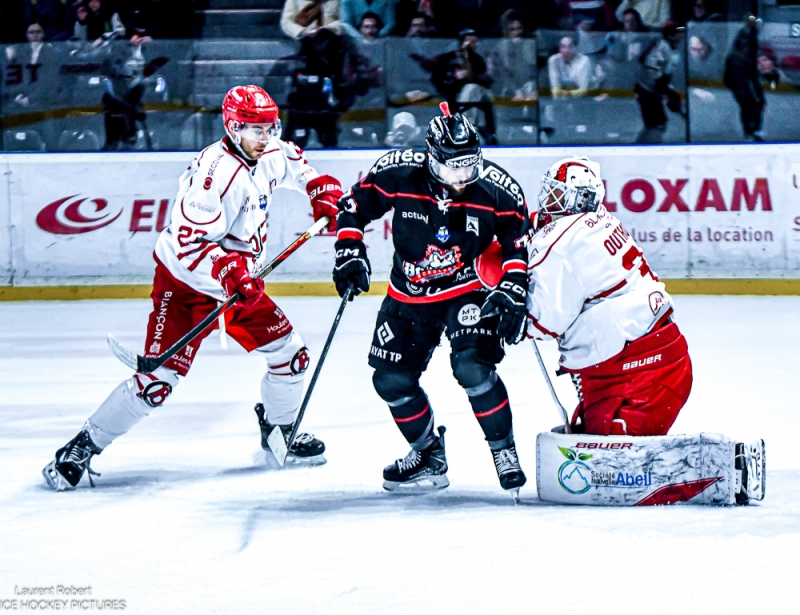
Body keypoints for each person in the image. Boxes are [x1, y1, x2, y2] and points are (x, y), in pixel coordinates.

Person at [42, 85, 343, 491]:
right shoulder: (213, 175)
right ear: (233, 127)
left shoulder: (267, 150)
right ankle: (82, 445)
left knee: (292, 358)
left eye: (270, 127)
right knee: (157, 384)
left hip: (239, 286)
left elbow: (297, 165)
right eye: (257, 129)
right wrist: (230, 269)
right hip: (186, 284)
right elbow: (191, 244)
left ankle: (280, 433)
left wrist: (321, 189)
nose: (266, 137)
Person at [525, 156, 765, 507]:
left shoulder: (561, 240)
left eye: (558, 196)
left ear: (575, 201)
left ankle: (728, 466)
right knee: (587, 434)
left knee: (606, 454)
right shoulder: (599, 222)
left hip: (642, 374)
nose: (550, 203)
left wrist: (505, 304)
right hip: (662, 357)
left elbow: (544, 323)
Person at [331, 106, 530, 498]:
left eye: (469, 167)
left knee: (472, 367)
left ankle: (504, 450)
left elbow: (518, 242)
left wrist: (513, 288)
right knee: (390, 380)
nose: (462, 178)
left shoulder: (498, 189)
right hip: (410, 291)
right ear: (431, 158)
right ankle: (428, 455)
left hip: (468, 287)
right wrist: (349, 249)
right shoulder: (398, 172)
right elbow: (353, 207)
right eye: (453, 169)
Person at [431, 29, 497, 144]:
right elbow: (437, 78)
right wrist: (452, 79)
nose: (474, 44)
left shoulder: (477, 59)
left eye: (475, 42)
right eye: (470, 41)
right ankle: (468, 127)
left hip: (475, 97)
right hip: (453, 95)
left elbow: (481, 78)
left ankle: (468, 126)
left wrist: (467, 62)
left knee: (472, 88)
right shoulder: (448, 58)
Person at [633, 20, 684, 143]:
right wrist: (665, 89)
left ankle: (648, 146)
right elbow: (651, 69)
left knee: (660, 122)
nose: (681, 35)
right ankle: (642, 149)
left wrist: (668, 90)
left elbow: (665, 74)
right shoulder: (661, 48)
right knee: (655, 123)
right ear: (670, 35)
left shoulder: (672, 50)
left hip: (652, 91)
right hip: (645, 90)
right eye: (678, 33)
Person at [724, 17, 764, 142]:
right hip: (739, 77)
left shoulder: (745, 36)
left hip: (737, 77)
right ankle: (751, 130)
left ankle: (750, 130)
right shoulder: (747, 37)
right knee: (750, 104)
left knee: (749, 104)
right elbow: (743, 60)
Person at [280, 0, 346, 39]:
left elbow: (346, 21)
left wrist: (328, 28)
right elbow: (286, 21)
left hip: (334, 39)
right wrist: (303, 31)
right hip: (306, 41)